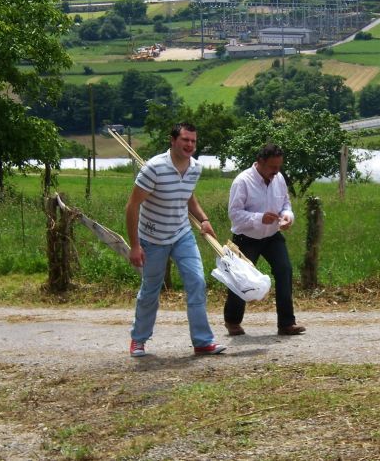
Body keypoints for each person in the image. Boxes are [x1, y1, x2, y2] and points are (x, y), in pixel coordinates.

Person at [126, 122, 226, 357]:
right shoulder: (154, 168)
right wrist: (135, 245)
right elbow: (132, 207)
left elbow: (188, 196)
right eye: (185, 140)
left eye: (193, 141)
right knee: (151, 289)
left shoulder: (195, 168)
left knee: (197, 282)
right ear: (173, 140)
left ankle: (202, 342)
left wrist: (204, 219)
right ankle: (138, 340)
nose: (190, 145)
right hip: (152, 238)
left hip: (182, 234)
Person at [224, 143, 306, 336]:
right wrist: (259, 217)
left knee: (284, 271)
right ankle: (232, 321)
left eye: (279, 167)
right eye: (272, 167)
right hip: (246, 238)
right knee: (240, 279)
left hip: (272, 235)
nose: (276, 172)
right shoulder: (242, 181)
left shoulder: (278, 178)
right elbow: (234, 214)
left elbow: (286, 203)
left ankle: (286, 323)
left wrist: (288, 217)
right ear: (260, 162)